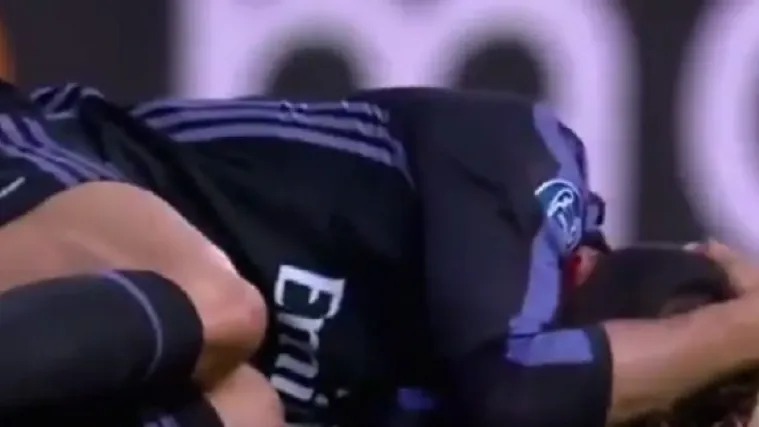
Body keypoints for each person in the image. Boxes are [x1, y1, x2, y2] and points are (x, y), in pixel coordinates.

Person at [0, 80, 757, 427]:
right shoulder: (530, 164)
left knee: (248, 411)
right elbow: (519, 387)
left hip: (55, 340)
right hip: (43, 164)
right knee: (218, 302)